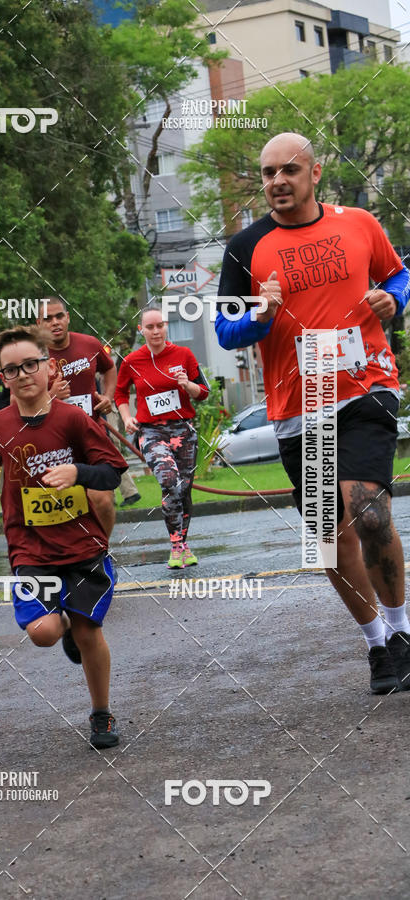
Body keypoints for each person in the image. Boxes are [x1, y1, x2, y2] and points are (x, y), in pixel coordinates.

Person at [216, 131, 410, 694]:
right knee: (329, 535)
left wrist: (395, 298)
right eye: (268, 173)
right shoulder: (244, 248)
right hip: (298, 405)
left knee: (366, 509)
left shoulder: (359, 223)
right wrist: (260, 315)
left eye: (289, 171)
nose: (277, 181)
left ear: (315, 173)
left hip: (366, 384)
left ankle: (402, 630)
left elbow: (398, 274)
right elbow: (227, 331)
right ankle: (377, 643)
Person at [0, 325, 127, 749]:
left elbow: (112, 473)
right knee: (43, 632)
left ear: (49, 367)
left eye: (30, 364)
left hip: (81, 544)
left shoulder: (74, 419)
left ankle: (101, 713)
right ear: (2, 378)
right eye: (12, 369)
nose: (23, 374)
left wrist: (77, 472)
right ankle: (59, 618)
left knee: (88, 631)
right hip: (30, 546)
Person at [115, 305, 209, 568]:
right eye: (150, 327)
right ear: (141, 330)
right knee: (169, 480)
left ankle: (182, 543)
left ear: (166, 326)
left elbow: (203, 392)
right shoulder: (132, 360)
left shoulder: (184, 354)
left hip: (183, 430)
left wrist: (186, 385)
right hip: (151, 431)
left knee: (184, 490)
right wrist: (126, 418)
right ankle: (177, 546)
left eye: (160, 326)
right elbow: (120, 394)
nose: (156, 331)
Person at [37, 296, 118, 536]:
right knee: (62, 509)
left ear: (68, 317)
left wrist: (108, 396)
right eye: (47, 318)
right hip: (52, 442)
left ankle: (101, 552)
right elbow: (15, 402)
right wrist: (51, 396)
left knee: (102, 500)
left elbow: (110, 368)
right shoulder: (32, 355)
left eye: (59, 316)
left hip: (91, 434)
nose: (55, 322)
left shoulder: (90, 344)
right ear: (39, 323)